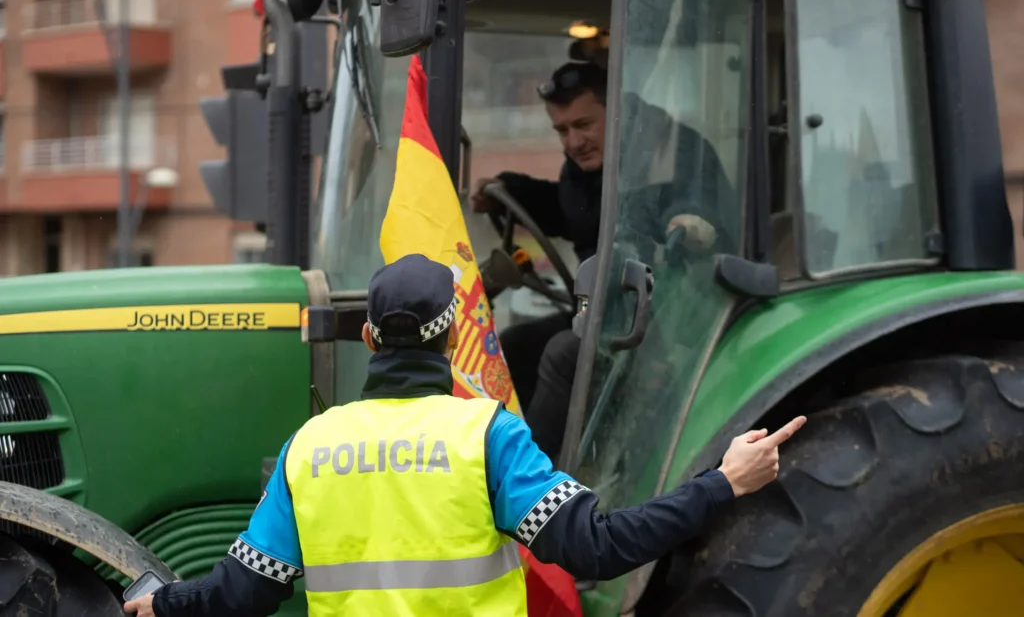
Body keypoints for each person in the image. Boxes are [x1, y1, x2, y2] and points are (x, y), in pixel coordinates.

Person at [125, 253, 806, 617]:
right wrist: (723, 481)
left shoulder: (310, 446)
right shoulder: (485, 435)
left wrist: (166, 601)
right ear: (453, 334)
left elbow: (242, 593)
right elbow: (598, 547)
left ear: (367, 337)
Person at [470, 61, 731, 461]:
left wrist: (690, 220)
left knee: (565, 353)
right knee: (517, 344)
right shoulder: (585, 164)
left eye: (583, 125)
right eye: (562, 130)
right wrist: (511, 192)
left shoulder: (670, 149)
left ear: (618, 113)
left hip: (664, 318)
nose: (573, 141)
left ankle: (534, 485)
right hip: (601, 308)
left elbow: (700, 210)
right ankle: (495, 461)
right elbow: (575, 214)